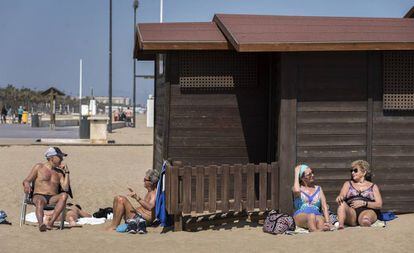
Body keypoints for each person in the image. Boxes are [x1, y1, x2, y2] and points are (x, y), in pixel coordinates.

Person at [22, 147, 71, 232]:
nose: (62, 159)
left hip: (53, 198)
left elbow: (65, 188)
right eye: (59, 157)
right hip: (39, 196)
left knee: (64, 195)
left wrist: (67, 172)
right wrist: (26, 184)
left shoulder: (59, 173)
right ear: (51, 157)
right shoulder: (39, 167)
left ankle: (51, 222)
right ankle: (41, 224)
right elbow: (27, 180)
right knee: (40, 201)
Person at [105, 169, 159, 233]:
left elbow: (150, 207)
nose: (143, 181)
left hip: (141, 219)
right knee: (117, 198)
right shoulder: (150, 191)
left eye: (145, 180)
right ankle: (114, 224)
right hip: (137, 215)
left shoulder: (154, 193)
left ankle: (114, 227)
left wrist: (137, 198)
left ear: (151, 182)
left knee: (120, 199)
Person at [336, 160, 382, 229]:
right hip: (352, 212)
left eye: (355, 170)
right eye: (351, 171)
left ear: (364, 172)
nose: (352, 172)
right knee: (342, 204)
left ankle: (366, 230)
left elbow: (379, 204)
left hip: (367, 210)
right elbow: (342, 195)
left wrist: (364, 203)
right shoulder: (348, 184)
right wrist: (340, 197)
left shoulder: (373, 186)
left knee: (365, 220)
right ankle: (341, 226)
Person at [292, 164, 331, 232]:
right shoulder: (298, 189)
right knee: (311, 216)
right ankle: (314, 230)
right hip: (301, 215)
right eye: (309, 174)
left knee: (320, 219)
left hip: (317, 214)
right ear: (302, 178)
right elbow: (296, 190)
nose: (312, 175)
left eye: (312, 172)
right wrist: (296, 172)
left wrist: (328, 222)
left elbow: (324, 207)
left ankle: (319, 232)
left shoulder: (318, 188)